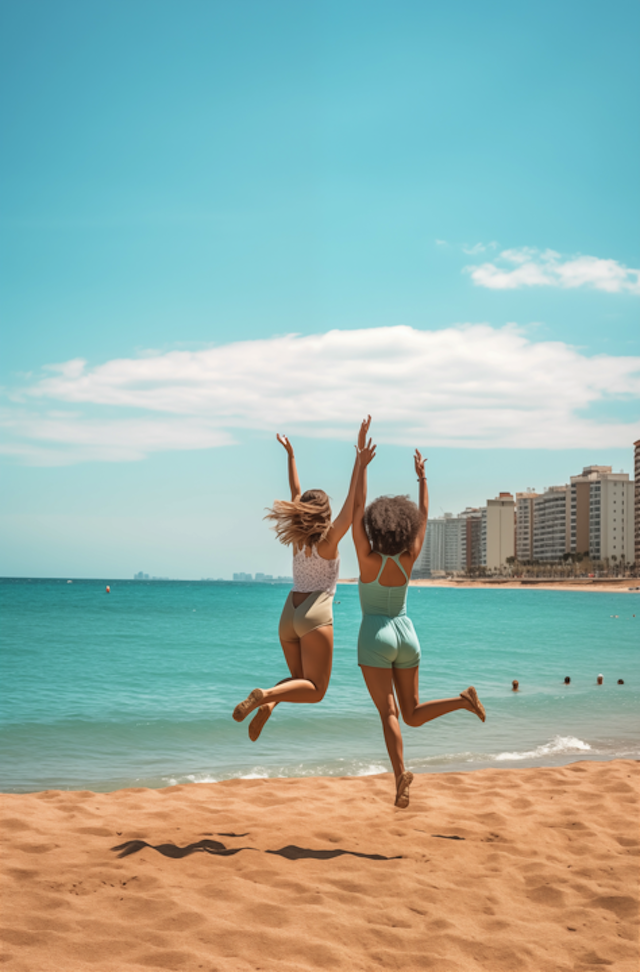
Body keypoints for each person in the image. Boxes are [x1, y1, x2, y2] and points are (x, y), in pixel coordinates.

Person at [352, 438, 486, 809]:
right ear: (404, 528)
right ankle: (462, 701)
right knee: (412, 713)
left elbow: (356, 509)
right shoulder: (409, 556)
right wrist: (422, 479)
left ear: (375, 528)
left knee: (390, 713)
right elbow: (424, 515)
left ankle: (399, 775)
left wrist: (361, 466)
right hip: (407, 633)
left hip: (375, 633)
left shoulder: (367, 559)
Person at [233, 418, 374, 740]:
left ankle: (267, 705)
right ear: (325, 514)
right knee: (317, 690)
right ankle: (265, 696)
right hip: (315, 612)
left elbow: (296, 492)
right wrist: (359, 461)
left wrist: (291, 456)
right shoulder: (329, 539)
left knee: (298, 680)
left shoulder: (298, 538)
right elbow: (354, 503)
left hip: (288, 613)